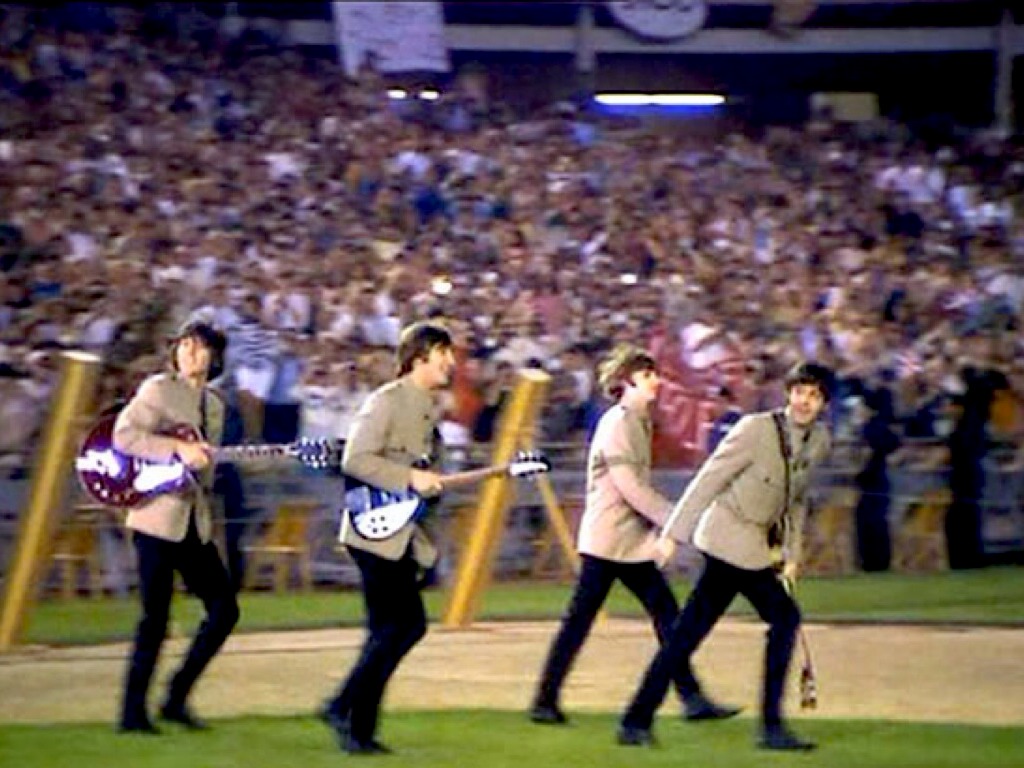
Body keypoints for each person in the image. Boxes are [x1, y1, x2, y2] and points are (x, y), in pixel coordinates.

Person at [618, 361, 834, 752]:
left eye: (814, 395)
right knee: (781, 618)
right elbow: (708, 480)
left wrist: (791, 553)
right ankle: (770, 728)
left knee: (686, 636)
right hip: (726, 539)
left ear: (824, 403)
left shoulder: (819, 441)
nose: (805, 401)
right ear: (788, 393)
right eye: (800, 391)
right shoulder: (756, 429)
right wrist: (673, 535)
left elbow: (796, 500)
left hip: (754, 547)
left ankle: (636, 719)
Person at [529, 345, 739, 726]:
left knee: (662, 616)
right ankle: (545, 700)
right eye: (646, 376)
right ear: (626, 382)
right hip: (610, 541)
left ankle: (691, 698)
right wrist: (675, 522)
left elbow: (636, 487)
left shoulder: (636, 420)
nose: (655, 381)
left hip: (627, 540)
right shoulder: (619, 423)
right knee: (590, 620)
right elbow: (630, 487)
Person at [320, 321, 455, 755]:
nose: (450, 362)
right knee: (403, 625)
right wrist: (410, 477)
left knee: (390, 630)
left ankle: (356, 725)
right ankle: (344, 708)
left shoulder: (426, 408)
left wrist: (429, 484)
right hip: (374, 532)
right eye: (443, 353)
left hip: (401, 533)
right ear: (419, 358)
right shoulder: (387, 401)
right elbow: (356, 459)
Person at [114, 321, 240, 734]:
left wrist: (208, 464)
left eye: (199, 347)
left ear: (215, 357)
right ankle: (132, 713)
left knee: (224, 609)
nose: (189, 352)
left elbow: (206, 467)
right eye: (184, 345)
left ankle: (175, 697)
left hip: (191, 520)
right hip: (155, 516)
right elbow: (124, 436)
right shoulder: (158, 389)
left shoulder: (214, 404)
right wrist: (178, 450)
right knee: (155, 617)